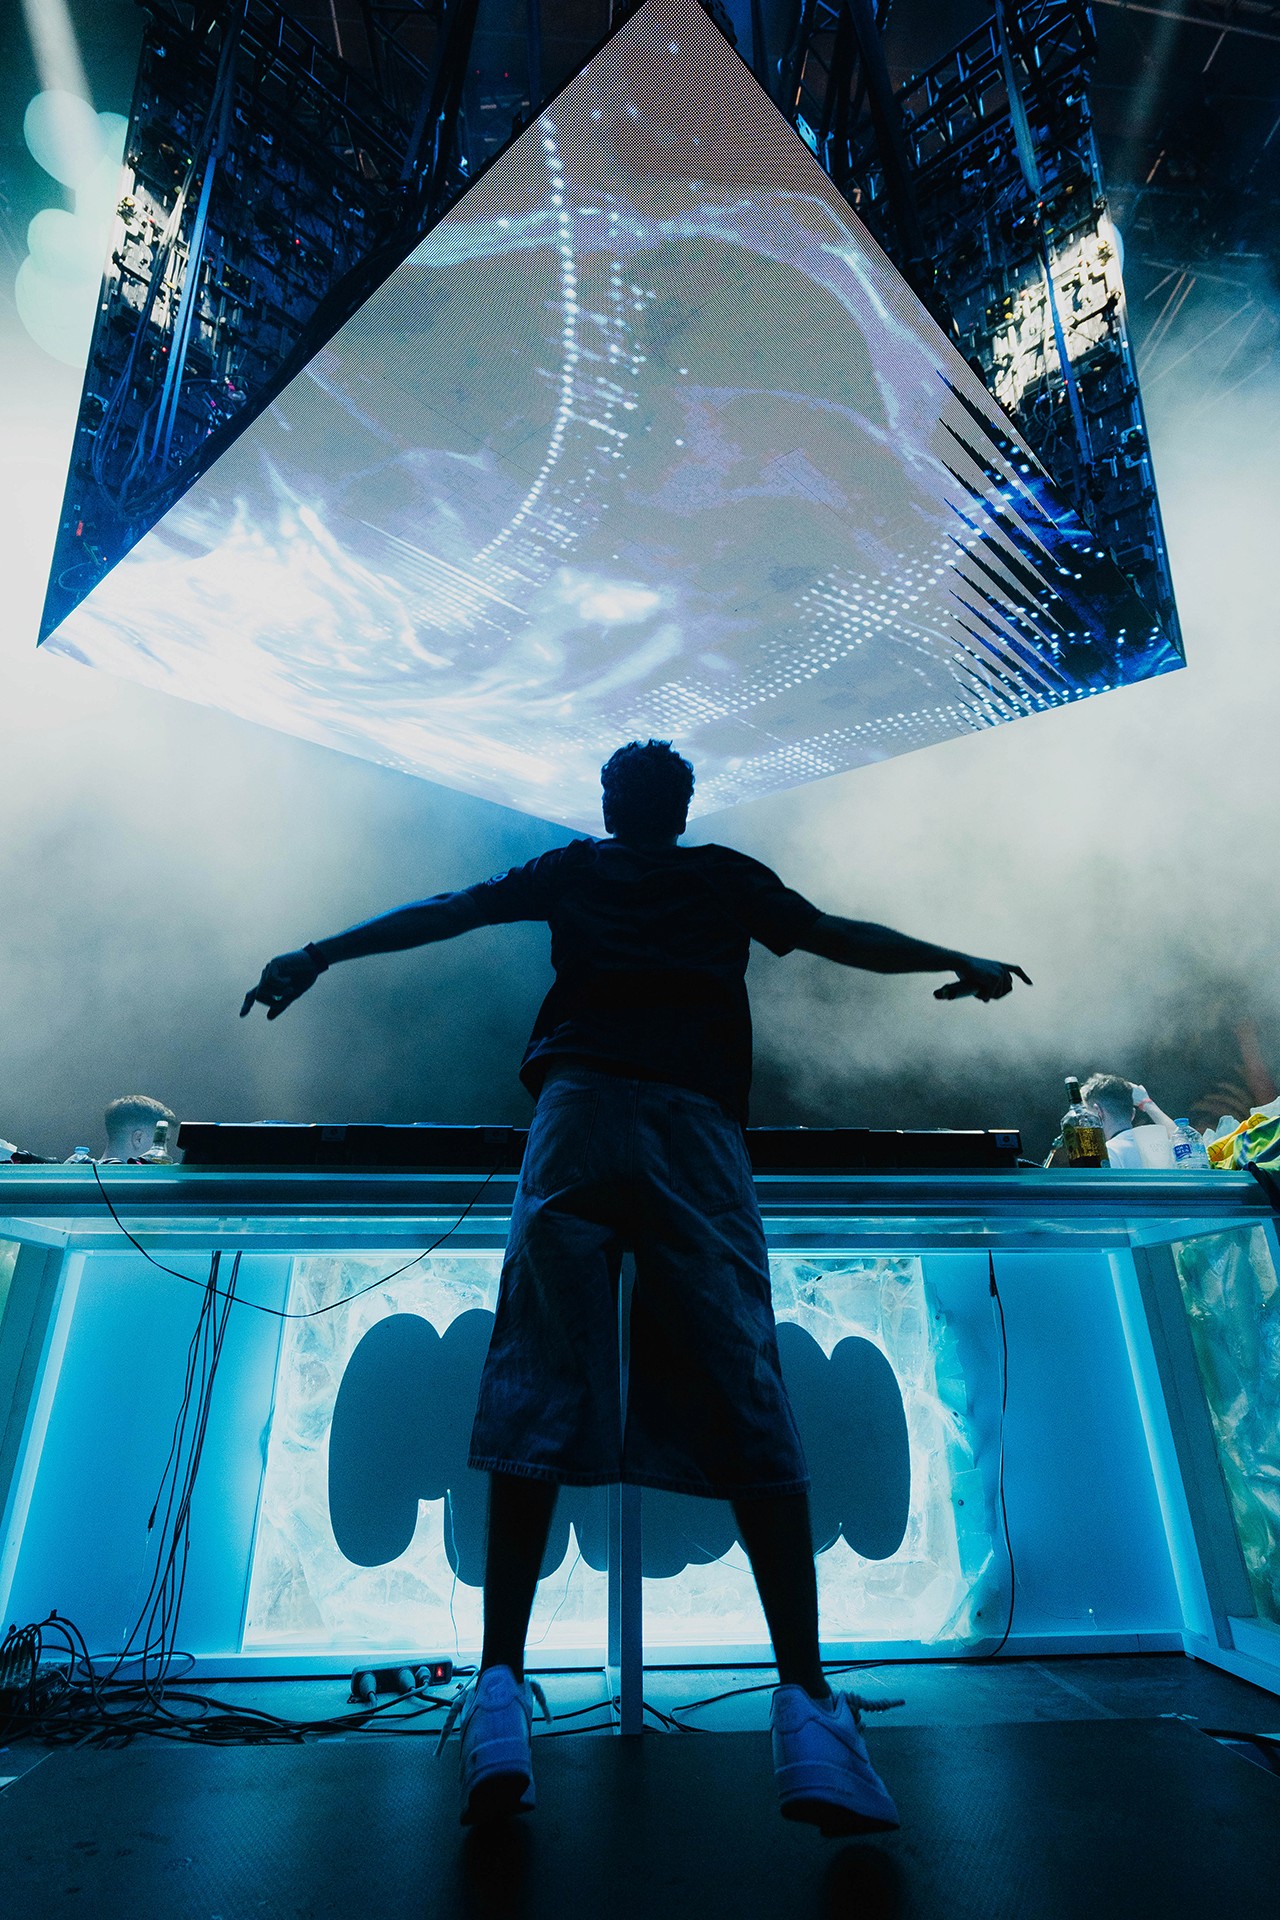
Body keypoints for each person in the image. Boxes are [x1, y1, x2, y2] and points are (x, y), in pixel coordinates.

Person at [241, 739, 1031, 1835]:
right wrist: (958, 957)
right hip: (689, 1125)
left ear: (608, 806)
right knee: (744, 1383)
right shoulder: (723, 877)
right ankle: (806, 1709)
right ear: (684, 807)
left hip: (576, 1115)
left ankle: (499, 1693)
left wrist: (319, 953)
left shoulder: (573, 869)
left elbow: (448, 911)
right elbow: (835, 934)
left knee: (534, 1377)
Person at [1079, 1073, 1177, 1169]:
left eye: (1087, 1116)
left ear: (1099, 1112)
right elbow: (1181, 1137)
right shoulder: (1165, 1146)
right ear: (1132, 1114)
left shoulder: (1106, 1155)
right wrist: (1147, 1102)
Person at [100, 1094, 176, 1164]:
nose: (165, 1151)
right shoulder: (161, 1174)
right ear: (138, 1139)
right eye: (163, 1142)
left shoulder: (92, 1173)